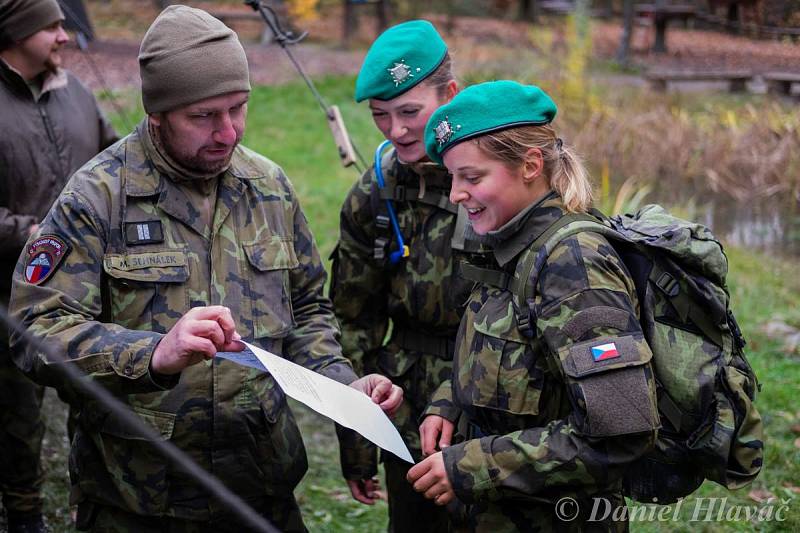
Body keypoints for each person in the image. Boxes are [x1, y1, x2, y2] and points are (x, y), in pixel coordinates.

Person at [9, 6, 401, 532]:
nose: (228, 132)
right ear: (158, 113)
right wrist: (153, 353)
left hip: (260, 489)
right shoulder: (98, 196)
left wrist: (341, 384)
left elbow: (307, 309)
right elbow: (35, 330)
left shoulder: (268, 187)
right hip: (140, 498)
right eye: (203, 116)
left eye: (239, 108)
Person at [407, 81, 660, 531]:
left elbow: (622, 433)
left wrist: (474, 466)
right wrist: (450, 403)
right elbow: (498, 357)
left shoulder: (575, 266)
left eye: (472, 177)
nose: (455, 196)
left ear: (530, 165)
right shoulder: (504, 244)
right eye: (452, 178)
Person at [330, 19, 480, 532]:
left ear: (451, 95)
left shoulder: (500, 178)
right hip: (407, 409)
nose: (396, 131)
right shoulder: (374, 194)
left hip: (499, 406)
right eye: (380, 116)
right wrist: (358, 440)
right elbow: (352, 323)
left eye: (411, 112)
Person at [0, 0, 118, 529]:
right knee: (16, 419)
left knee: (97, 398)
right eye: (51, 25)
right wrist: (29, 232)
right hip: (8, 296)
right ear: (15, 31)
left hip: (89, 293)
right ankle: (23, 513)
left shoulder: (77, 94)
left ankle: (94, 503)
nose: (64, 37)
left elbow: (116, 162)